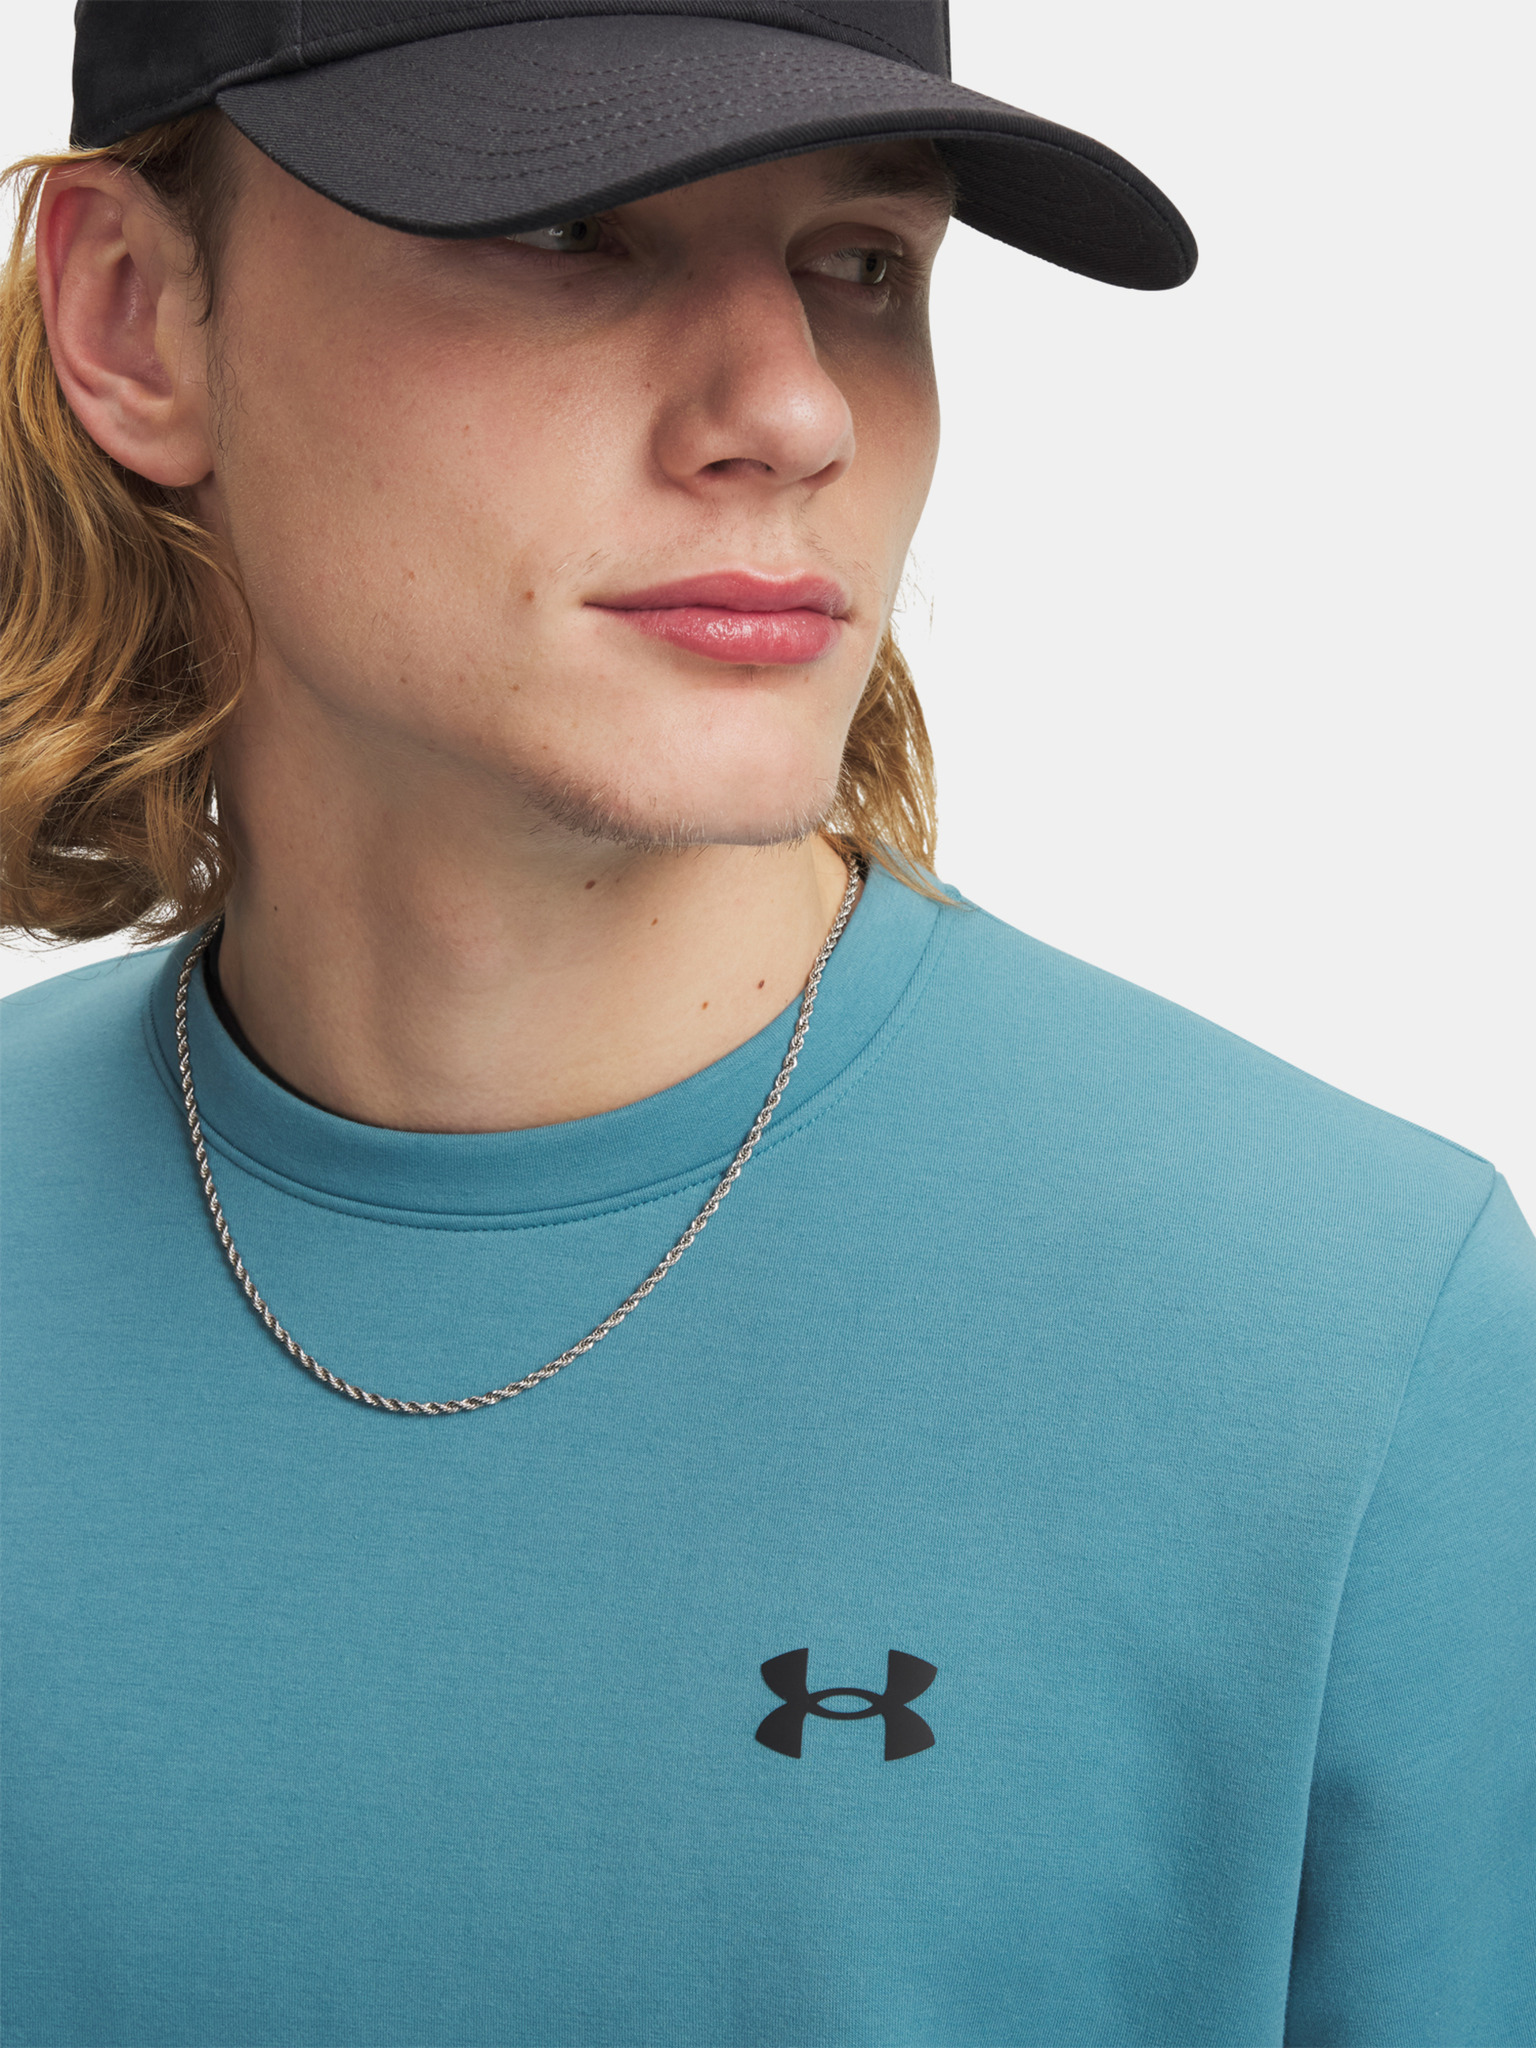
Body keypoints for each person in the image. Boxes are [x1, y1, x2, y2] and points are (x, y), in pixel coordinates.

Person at [1, 4, 1529, 2044]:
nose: (795, 409)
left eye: (863, 262)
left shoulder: (1355, 1346)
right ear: (134, 316)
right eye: (571, 230)